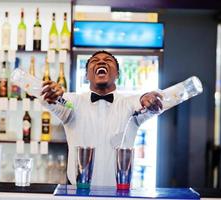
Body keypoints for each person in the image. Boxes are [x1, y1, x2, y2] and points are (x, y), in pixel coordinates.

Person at [41, 50, 162, 186]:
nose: (101, 61)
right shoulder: (73, 103)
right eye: (94, 61)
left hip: (120, 193)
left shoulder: (130, 104)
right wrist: (53, 94)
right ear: (87, 75)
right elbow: (56, 100)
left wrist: (149, 100)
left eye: (108, 60)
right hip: (79, 192)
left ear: (117, 74)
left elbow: (148, 103)